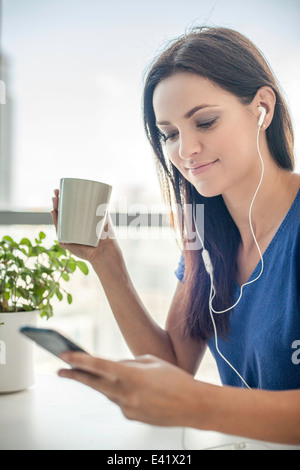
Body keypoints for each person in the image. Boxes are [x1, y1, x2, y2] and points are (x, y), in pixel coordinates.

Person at [51, 26, 300, 445]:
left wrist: (198, 405)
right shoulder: (206, 240)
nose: (185, 150)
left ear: (262, 108)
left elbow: (186, 392)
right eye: (169, 134)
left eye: (205, 121)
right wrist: (107, 264)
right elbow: (172, 365)